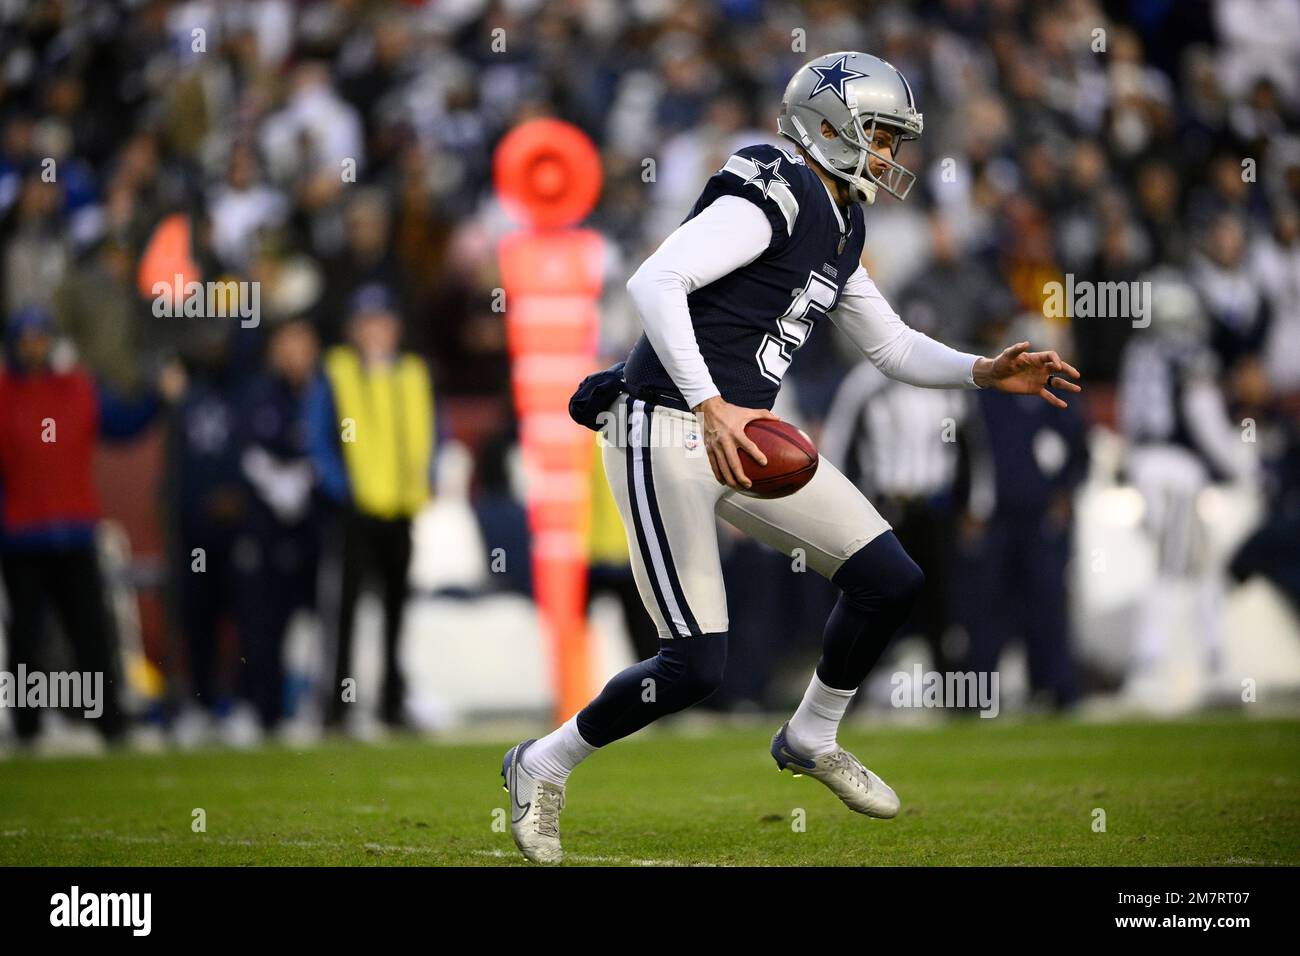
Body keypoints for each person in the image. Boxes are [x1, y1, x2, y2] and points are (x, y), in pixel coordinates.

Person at [502, 52, 1082, 864]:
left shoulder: (843, 217)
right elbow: (655, 280)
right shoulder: (778, 184)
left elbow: (890, 345)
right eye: (879, 134)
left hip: (737, 439)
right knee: (697, 665)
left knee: (891, 578)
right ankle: (541, 762)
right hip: (665, 427)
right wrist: (707, 402)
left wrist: (982, 370)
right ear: (830, 125)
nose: (889, 155)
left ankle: (811, 735)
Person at [0, 306, 166, 746]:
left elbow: (122, 424)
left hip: (74, 531)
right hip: (22, 536)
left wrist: (156, 395)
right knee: (25, 638)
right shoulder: (3, 394)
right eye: (25, 338)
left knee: (91, 633)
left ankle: (107, 721)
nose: (33, 347)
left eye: (40, 337)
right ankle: (27, 725)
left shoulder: (77, 389)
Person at [307, 284, 434, 730]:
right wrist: (340, 488)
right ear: (353, 329)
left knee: (397, 611)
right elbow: (318, 436)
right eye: (368, 323)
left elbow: (431, 431)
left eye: (383, 321)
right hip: (355, 510)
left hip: (401, 507)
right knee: (343, 610)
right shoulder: (337, 372)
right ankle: (336, 705)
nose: (377, 331)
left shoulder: (413, 372)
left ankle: (392, 700)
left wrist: (426, 480)